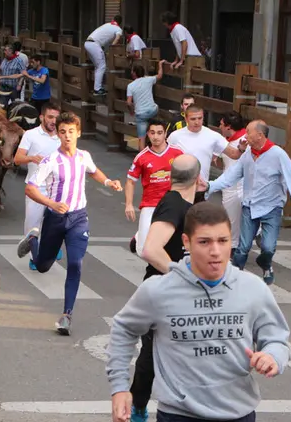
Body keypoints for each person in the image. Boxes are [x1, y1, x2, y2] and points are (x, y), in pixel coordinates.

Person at [107, 202, 291, 422]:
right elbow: (124, 328)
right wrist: (120, 387)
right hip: (180, 418)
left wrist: (272, 357)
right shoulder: (158, 290)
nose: (215, 251)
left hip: (238, 415)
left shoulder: (253, 288)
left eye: (223, 241)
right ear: (187, 242)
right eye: (204, 242)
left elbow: (276, 338)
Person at [15, 112, 122, 335]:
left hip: (78, 219)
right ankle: (33, 240)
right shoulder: (51, 160)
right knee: (43, 266)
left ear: (78, 133)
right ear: (58, 134)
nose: (66, 136)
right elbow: (30, 188)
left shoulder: (84, 156)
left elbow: (93, 171)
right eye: (62, 132)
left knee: (75, 264)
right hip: (55, 218)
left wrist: (108, 181)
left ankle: (66, 315)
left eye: (71, 132)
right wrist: (50, 204)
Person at [126, 154, 202, 422]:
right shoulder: (173, 204)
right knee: (152, 355)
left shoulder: (192, 203)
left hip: (188, 294)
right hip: (164, 292)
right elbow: (151, 249)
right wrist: (184, 277)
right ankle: (139, 403)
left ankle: (191, 409)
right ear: (197, 177)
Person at [202, 120, 291, 285]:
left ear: (260, 135)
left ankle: (266, 264)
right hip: (249, 206)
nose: (245, 135)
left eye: (248, 132)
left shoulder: (277, 154)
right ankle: (232, 278)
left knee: (268, 248)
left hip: (272, 208)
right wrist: (209, 186)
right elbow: (231, 176)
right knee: (243, 248)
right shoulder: (248, 154)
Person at [13, 102, 63, 270]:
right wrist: (32, 158)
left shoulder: (64, 136)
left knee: (57, 223)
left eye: (56, 118)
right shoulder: (30, 135)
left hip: (57, 188)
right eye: (50, 117)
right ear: (41, 117)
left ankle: (50, 248)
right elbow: (17, 159)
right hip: (36, 187)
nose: (53, 121)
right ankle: (35, 256)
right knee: (32, 226)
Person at [124, 119, 183, 258]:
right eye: (152, 133)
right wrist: (128, 205)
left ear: (165, 134)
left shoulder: (177, 153)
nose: (156, 136)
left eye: (159, 133)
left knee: (174, 245)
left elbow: (187, 176)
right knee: (143, 250)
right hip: (150, 204)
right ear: (148, 135)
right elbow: (130, 181)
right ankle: (139, 237)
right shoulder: (141, 157)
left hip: (172, 204)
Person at [167, 106, 245, 202]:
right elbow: (166, 159)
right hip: (180, 188)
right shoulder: (175, 136)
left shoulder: (213, 136)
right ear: (186, 119)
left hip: (201, 187)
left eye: (200, 118)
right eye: (193, 119)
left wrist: (241, 149)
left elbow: (234, 154)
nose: (197, 122)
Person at [217, 111, 248, 256]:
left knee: (237, 216)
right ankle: (234, 246)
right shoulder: (224, 140)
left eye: (222, 124)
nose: (219, 126)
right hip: (228, 185)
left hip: (240, 184)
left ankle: (236, 246)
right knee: (232, 218)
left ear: (229, 127)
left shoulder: (246, 141)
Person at [126, 61, 165, 151]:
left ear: (134, 73)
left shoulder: (130, 86)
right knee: (155, 125)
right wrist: (160, 64)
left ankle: (142, 157)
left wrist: (131, 111)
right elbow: (159, 75)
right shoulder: (149, 79)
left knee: (141, 139)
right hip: (152, 111)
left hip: (141, 114)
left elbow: (128, 102)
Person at [84, 15, 123, 96]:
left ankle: (97, 87)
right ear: (120, 23)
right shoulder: (118, 29)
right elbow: (118, 38)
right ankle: (97, 89)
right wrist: (112, 47)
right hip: (94, 45)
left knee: (98, 66)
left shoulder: (107, 25)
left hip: (88, 43)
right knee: (102, 66)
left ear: (113, 20)